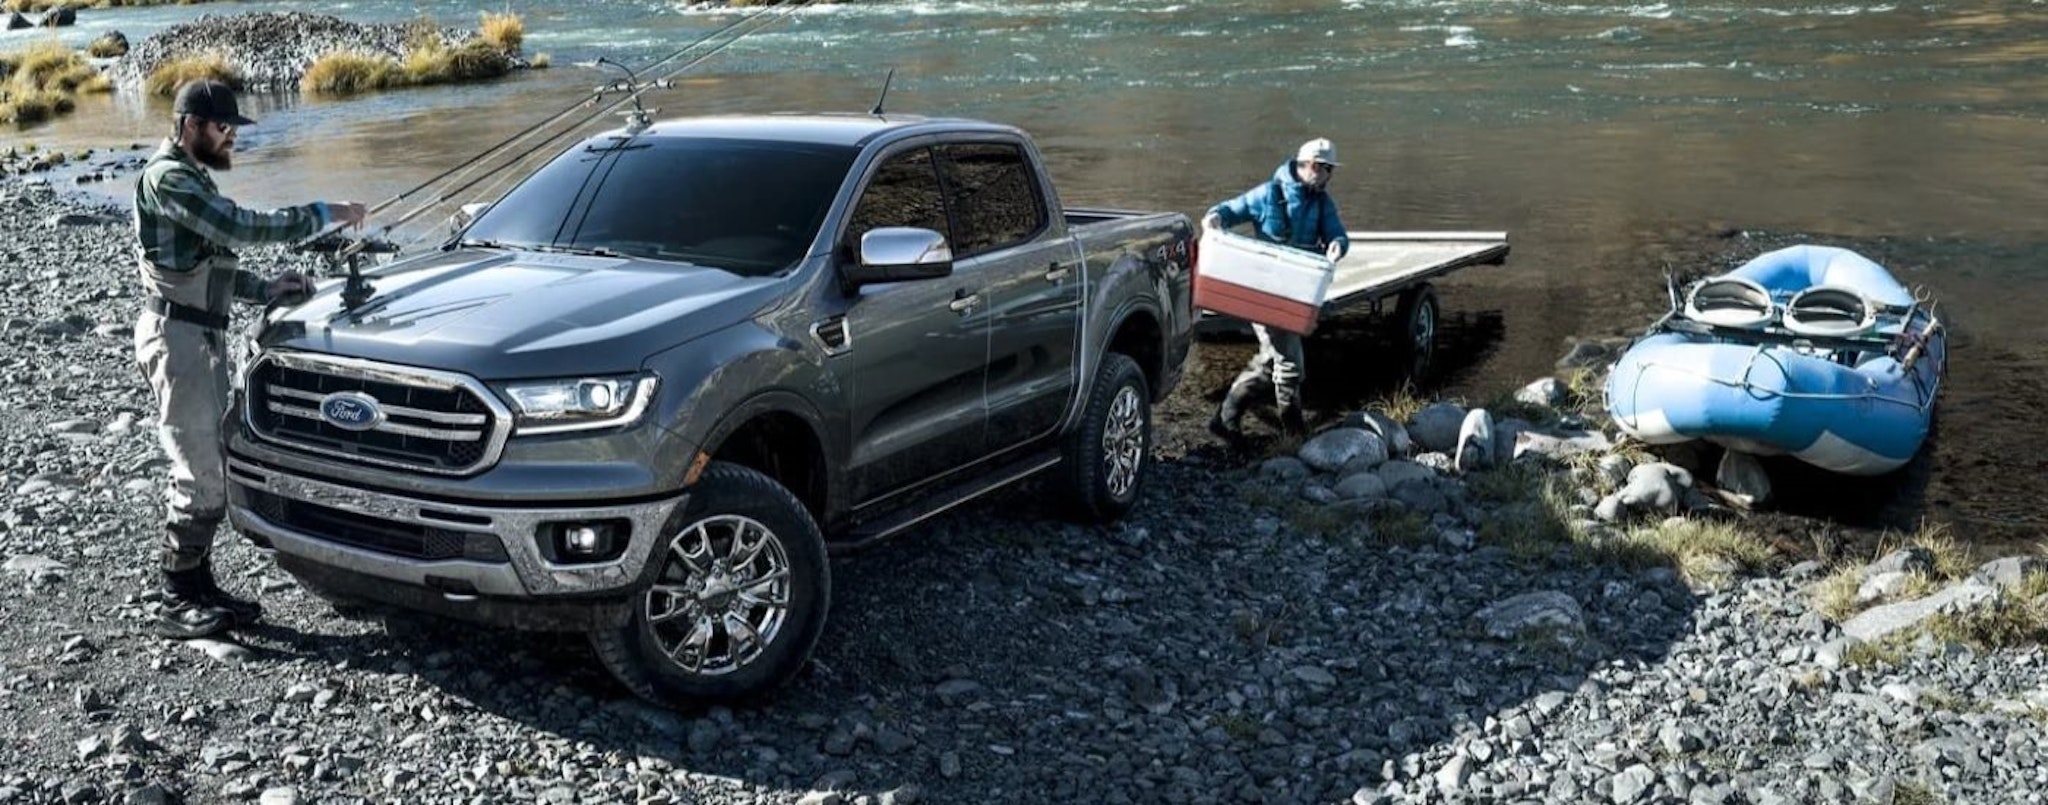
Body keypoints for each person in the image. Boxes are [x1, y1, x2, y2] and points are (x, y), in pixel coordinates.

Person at [133, 79, 367, 639]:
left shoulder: (191, 177)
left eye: (233, 127)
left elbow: (212, 264)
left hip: (199, 338)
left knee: (214, 461)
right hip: (178, 340)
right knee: (203, 475)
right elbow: (237, 226)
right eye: (222, 126)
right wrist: (322, 212)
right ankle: (174, 596)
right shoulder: (170, 180)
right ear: (190, 126)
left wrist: (265, 289)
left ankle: (197, 585)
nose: (231, 136)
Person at [1202, 137, 1350, 443]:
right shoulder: (1267, 194)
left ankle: (1225, 420)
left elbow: (1336, 232)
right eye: (1325, 170)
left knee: (1272, 359)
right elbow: (1229, 211)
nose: (1327, 177)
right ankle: (1292, 428)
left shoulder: (1322, 203)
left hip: (1298, 292)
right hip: (1265, 288)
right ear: (1309, 166)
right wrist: (1215, 218)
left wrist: (1338, 246)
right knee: (1289, 361)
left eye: (1330, 171)